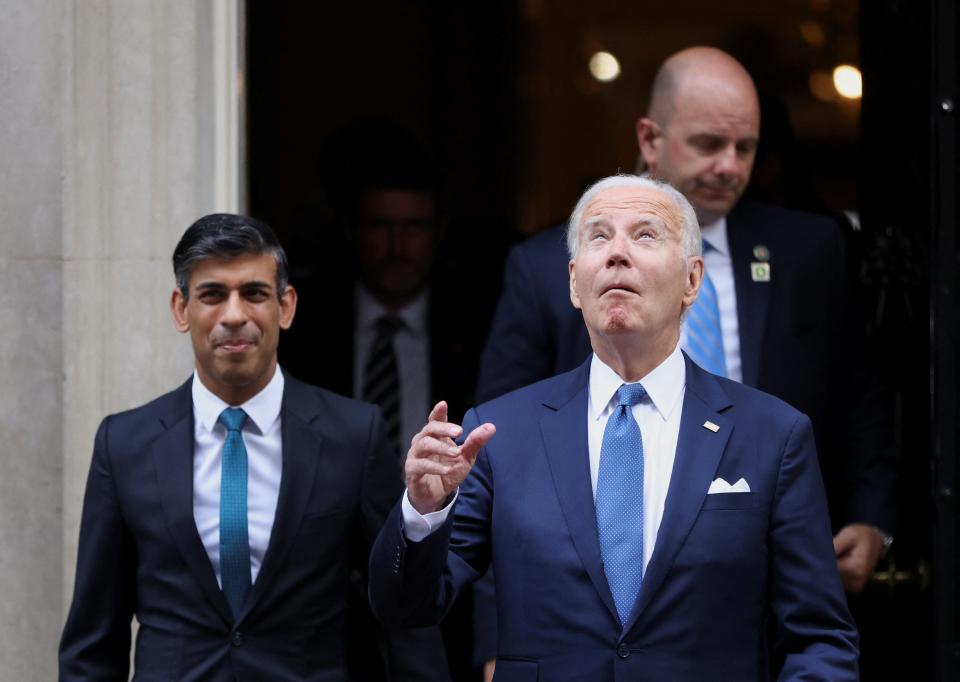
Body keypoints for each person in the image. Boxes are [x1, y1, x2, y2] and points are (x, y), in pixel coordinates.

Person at [369, 175, 859, 680]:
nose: (617, 254)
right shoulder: (499, 434)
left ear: (692, 280)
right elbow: (405, 610)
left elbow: (818, 638)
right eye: (598, 237)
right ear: (574, 283)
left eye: (645, 235)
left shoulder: (772, 435)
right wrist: (423, 512)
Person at [477, 46, 895, 600]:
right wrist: (495, 647)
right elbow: (498, 459)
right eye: (709, 144)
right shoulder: (550, 266)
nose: (730, 166)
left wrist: (872, 520)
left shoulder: (810, 250)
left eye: (745, 147)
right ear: (650, 140)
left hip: (778, 578)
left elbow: (857, 397)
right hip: (602, 590)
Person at [58, 214, 417, 680]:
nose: (234, 315)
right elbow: (93, 638)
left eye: (253, 293)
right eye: (212, 294)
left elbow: (403, 615)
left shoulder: (354, 435)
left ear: (285, 306)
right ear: (180, 309)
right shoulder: (124, 444)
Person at [282, 132, 481, 681]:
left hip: (447, 586)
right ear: (351, 232)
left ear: (438, 233)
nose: (397, 244)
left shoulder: (475, 327)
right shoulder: (307, 332)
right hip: (326, 595)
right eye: (380, 226)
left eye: (413, 227)